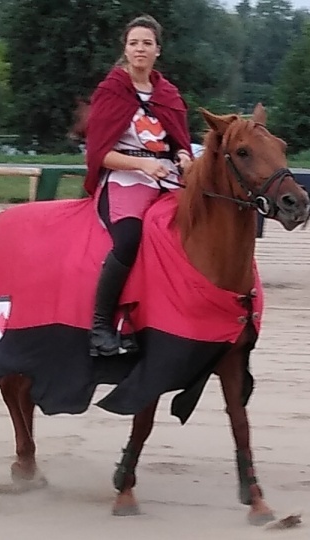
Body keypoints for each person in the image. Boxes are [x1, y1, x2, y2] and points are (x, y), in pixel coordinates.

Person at [82, 14, 194, 357]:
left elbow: (180, 142)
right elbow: (99, 153)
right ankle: (102, 324)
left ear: (158, 50)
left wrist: (185, 158)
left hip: (165, 178)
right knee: (130, 238)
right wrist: (143, 164)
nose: (140, 49)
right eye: (134, 43)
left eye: (147, 43)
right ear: (125, 49)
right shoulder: (111, 91)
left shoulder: (168, 93)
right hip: (125, 176)